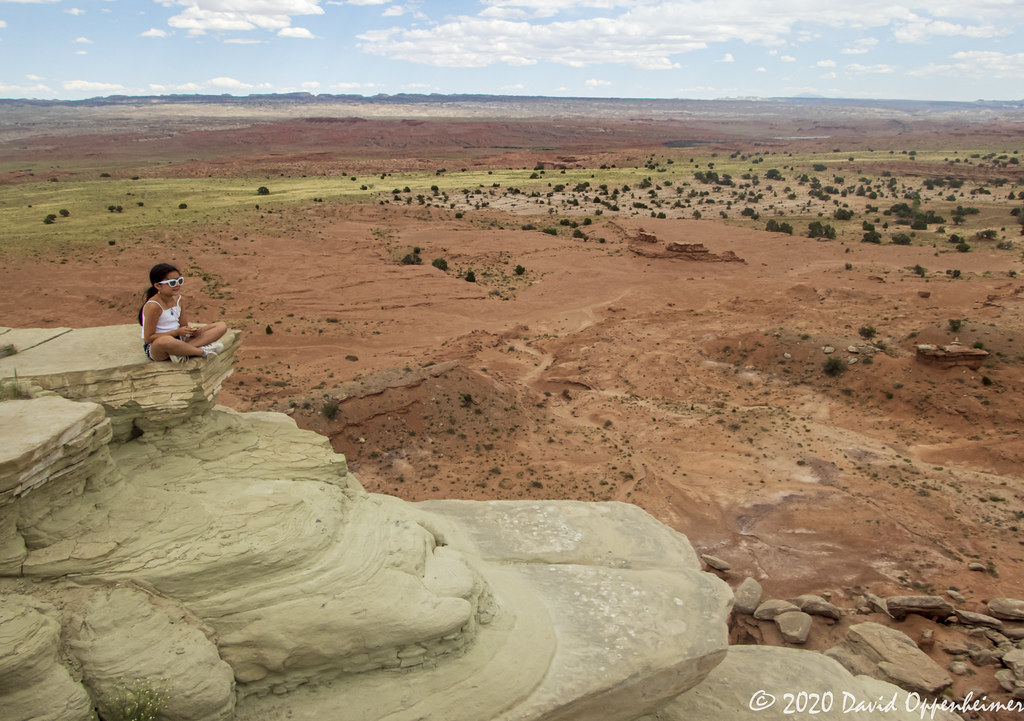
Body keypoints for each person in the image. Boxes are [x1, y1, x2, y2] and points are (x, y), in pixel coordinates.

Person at [140, 263, 227, 363]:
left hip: (180, 340)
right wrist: (176, 332)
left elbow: (184, 326)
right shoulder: (153, 306)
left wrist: (192, 331)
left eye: (179, 280)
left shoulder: (178, 299)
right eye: (172, 283)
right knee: (165, 341)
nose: (177, 285)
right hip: (159, 346)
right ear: (158, 285)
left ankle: (181, 351)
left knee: (221, 326)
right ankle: (201, 351)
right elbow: (149, 338)